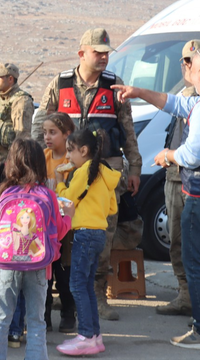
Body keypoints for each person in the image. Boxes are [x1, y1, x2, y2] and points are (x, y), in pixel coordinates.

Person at [113, 46, 200, 351]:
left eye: (190, 64)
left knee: (197, 264)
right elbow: (177, 104)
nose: (186, 68)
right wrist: (139, 91)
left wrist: (167, 155)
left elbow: (193, 155)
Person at [31, 28, 142, 320]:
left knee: (101, 232)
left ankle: (96, 294)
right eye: (98, 52)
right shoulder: (60, 83)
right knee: (63, 233)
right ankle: (66, 294)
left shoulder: (114, 86)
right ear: (82, 53)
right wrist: (36, 160)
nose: (104, 57)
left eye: (107, 52)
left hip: (105, 171)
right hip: (66, 170)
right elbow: (41, 121)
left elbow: (128, 130)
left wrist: (135, 167)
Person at [0, 138, 74, 360]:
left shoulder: (2, 193)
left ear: (10, 163)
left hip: (7, 266)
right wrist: (68, 217)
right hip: (39, 266)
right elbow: (57, 232)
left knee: (1, 317)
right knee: (36, 321)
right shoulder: (48, 195)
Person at [155, 39, 200, 326]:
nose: (189, 66)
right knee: (177, 241)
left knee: (199, 245)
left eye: (193, 61)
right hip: (174, 176)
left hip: (197, 180)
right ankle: (186, 295)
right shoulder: (184, 95)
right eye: (186, 61)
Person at [54, 128, 120, 355]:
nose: (68, 157)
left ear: (84, 150)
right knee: (87, 285)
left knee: (77, 286)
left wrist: (60, 182)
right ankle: (95, 336)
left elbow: (67, 201)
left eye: (71, 151)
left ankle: (85, 336)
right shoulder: (106, 173)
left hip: (84, 234)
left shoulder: (83, 172)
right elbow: (112, 207)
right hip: (99, 234)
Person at [42, 113, 77, 334]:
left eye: (53, 132)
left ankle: (67, 313)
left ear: (67, 134)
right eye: (45, 132)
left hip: (66, 227)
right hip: (45, 225)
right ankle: (43, 316)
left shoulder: (73, 162)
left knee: (65, 273)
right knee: (44, 274)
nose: (47, 137)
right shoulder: (42, 157)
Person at [0, 63, 34, 177]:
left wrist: (15, 168)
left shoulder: (21, 101)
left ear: (10, 79)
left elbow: (22, 137)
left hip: (8, 170)